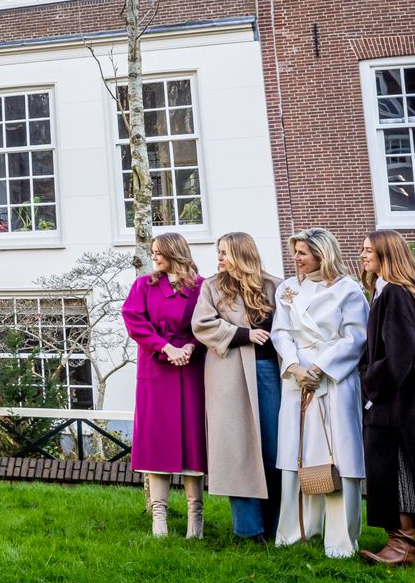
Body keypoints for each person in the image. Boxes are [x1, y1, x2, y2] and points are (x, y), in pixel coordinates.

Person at [358, 230, 415, 565]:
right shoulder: (388, 291)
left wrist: (370, 382)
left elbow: (401, 351)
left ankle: (402, 544)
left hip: (397, 393)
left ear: (386, 255)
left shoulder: (394, 293)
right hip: (406, 390)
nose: (364, 255)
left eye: (369, 250)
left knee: (398, 461)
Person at [271, 228, 368, 558]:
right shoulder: (287, 289)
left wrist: (320, 368)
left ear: (321, 254)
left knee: (339, 456)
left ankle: (341, 542)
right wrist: (295, 367)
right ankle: (295, 532)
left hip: (334, 381)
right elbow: (280, 333)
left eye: (302, 252)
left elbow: (355, 337)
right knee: (295, 453)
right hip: (296, 381)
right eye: (294, 251)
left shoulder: (349, 290)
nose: (295, 258)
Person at [192, 232, 282, 542]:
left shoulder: (275, 286)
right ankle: (248, 529)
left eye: (225, 253)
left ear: (243, 254)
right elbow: (201, 324)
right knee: (238, 449)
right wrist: (243, 334)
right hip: (229, 376)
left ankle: (275, 526)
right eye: (218, 252)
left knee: (274, 450)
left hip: (269, 373)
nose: (219, 258)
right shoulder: (212, 287)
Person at [122, 232, 206, 538]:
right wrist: (164, 347)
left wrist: (191, 347)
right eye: (153, 251)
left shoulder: (201, 286)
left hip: (190, 370)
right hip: (156, 372)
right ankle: (160, 518)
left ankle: (195, 519)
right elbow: (134, 320)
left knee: (192, 442)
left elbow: (208, 321)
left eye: (159, 252)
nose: (154, 257)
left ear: (175, 253)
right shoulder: (144, 285)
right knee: (158, 442)